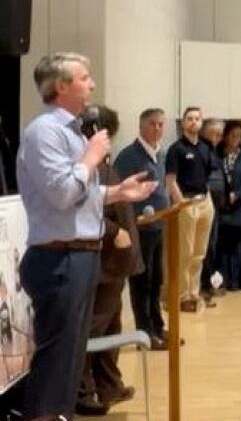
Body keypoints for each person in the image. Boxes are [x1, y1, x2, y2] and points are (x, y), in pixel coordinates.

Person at [16, 52, 156, 421]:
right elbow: (61, 192)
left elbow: (77, 196)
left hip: (79, 256)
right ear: (62, 86)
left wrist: (117, 193)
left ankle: (60, 414)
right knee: (56, 360)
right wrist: (92, 158)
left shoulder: (72, 132)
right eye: (85, 78)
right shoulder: (43, 132)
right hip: (58, 260)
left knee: (71, 357)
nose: (92, 84)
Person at [76, 104, 143, 416]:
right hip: (102, 263)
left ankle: (109, 385)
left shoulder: (104, 162)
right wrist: (114, 229)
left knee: (111, 327)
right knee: (92, 329)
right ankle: (82, 391)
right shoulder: (85, 165)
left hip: (116, 263)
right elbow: (83, 208)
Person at [114, 108, 170, 350]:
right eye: (152, 124)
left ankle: (157, 325)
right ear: (141, 126)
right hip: (139, 230)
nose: (156, 129)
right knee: (142, 282)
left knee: (157, 279)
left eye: (160, 125)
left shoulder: (160, 154)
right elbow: (120, 195)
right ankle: (144, 333)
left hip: (157, 227)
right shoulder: (129, 156)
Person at [165, 107, 217, 312]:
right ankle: (180, 296)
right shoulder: (176, 149)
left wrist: (208, 199)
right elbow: (170, 180)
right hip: (186, 202)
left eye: (197, 118)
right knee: (184, 253)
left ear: (201, 122)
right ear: (183, 122)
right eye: (190, 119)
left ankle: (193, 293)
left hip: (205, 201)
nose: (194, 122)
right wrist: (180, 204)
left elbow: (208, 174)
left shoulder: (206, 147)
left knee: (199, 253)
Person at [217, 120, 241, 291]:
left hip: (239, 206)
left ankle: (235, 281)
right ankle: (222, 280)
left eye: (239, 136)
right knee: (220, 244)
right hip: (221, 206)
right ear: (225, 136)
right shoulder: (218, 153)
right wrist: (224, 195)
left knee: (236, 245)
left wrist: (238, 194)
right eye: (232, 135)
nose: (236, 139)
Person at [200, 119, 226, 304]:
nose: (216, 137)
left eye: (219, 134)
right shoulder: (201, 149)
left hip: (216, 208)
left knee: (212, 247)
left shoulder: (215, 151)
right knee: (202, 248)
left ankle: (209, 284)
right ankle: (201, 287)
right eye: (213, 133)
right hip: (202, 206)